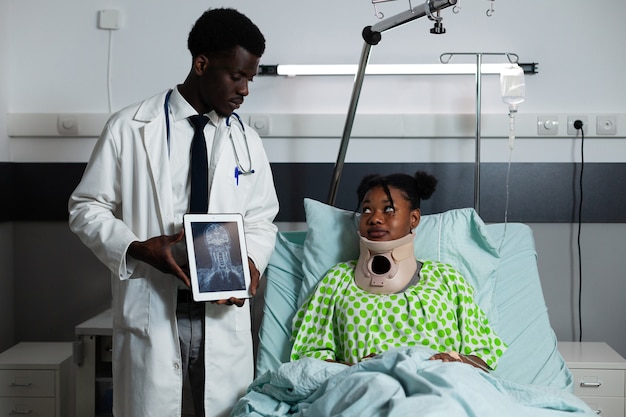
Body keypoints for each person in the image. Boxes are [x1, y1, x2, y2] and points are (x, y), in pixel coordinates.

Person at [68, 8, 278, 417]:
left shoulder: (247, 141)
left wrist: (251, 261)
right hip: (155, 304)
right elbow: (85, 207)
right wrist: (137, 248)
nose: (245, 90)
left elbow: (261, 218)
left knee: (222, 409)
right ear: (201, 64)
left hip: (221, 310)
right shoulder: (130, 127)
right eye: (237, 76)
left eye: (250, 78)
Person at [290, 171, 506, 372]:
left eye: (388, 209)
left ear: (414, 218)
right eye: (366, 210)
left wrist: (454, 361)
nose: (374, 218)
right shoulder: (337, 281)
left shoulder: (446, 279)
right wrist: (357, 369)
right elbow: (309, 358)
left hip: (438, 386)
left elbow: (484, 357)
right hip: (364, 386)